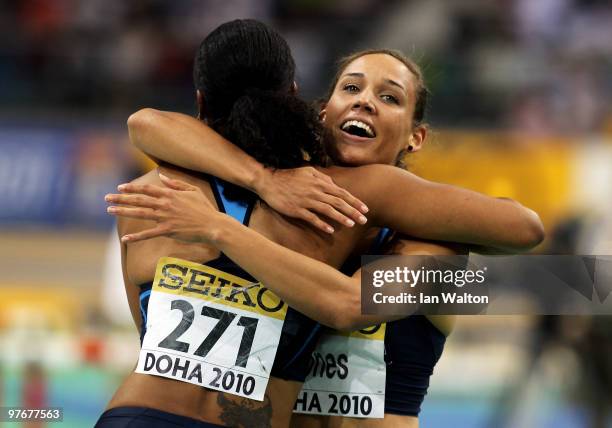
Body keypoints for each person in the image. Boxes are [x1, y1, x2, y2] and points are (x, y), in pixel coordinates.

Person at [106, 38, 544, 428]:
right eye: (350, 88)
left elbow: (523, 234)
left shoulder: (430, 243)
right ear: (321, 110)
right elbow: (146, 124)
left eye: (389, 97)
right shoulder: (289, 199)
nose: (365, 102)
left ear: (416, 137)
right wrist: (264, 181)